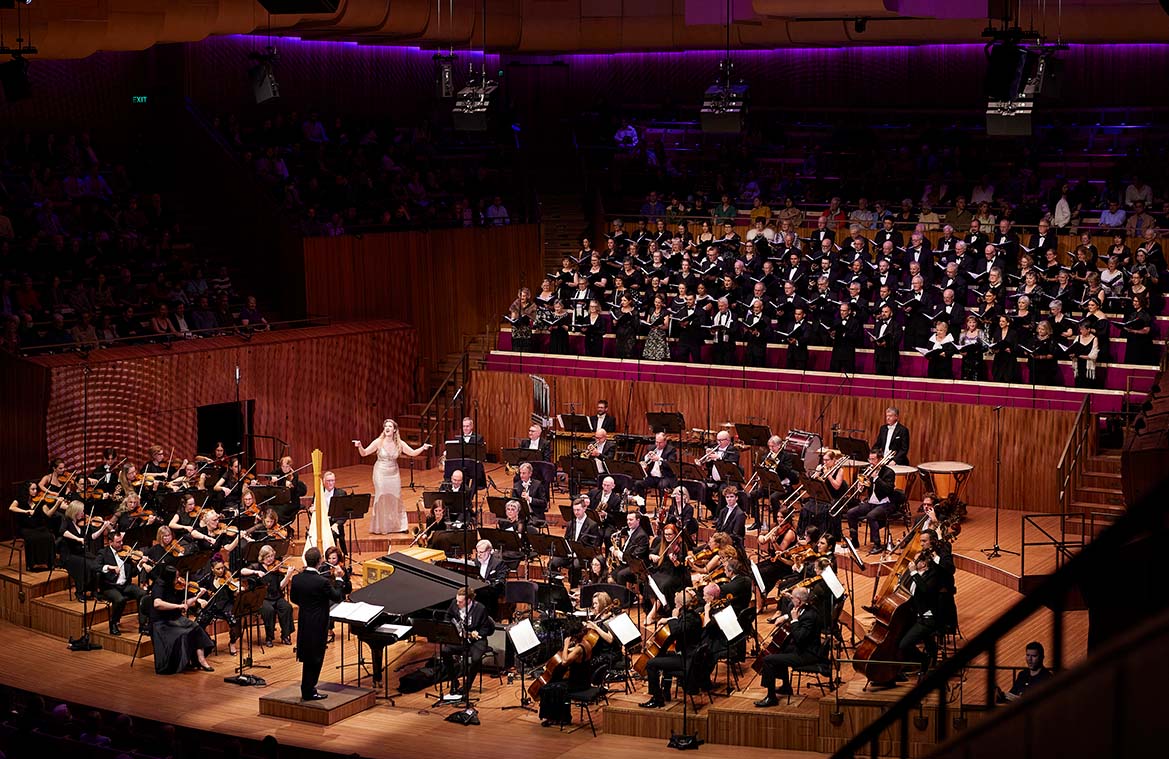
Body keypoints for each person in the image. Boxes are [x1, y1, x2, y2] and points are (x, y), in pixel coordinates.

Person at [355, 419, 431, 534]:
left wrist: (423, 448)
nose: (387, 428)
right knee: (382, 496)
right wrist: (359, 446)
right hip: (380, 472)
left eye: (390, 426)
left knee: (396, 497)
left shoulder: (399, 443)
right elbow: (364, 453)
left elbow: (412, 453)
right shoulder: (378, 442)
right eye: (386, 426)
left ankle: (398, 526)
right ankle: (381, 527)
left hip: (394, 473)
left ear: (394, 429)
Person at [288, 546, 345, 700]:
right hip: (319, 623)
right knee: (316, 657)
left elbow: (294, 599)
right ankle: (309, 690)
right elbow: (338, 597)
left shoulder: (297, 578)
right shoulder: (322, 582)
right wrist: (339, 579)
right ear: (320, 561)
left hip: (304, 620)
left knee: (308, 655)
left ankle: (307, 687)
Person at [754, 585, 823, 705]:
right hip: (804, 648)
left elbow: (799, 638)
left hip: (808, 654)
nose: (791, 601)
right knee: (780, 650)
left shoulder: (809, 616)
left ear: (799, 601)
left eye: (793, 598)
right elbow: (796, 615)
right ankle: (786, 686)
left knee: (768, 660)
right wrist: (787, 616)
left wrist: (794, 621)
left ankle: (771, 698)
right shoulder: (805, 608)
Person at [639, 587, 703, 709]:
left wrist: (673, 618)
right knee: (662, 656)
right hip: (687, 656)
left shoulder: (688, 620)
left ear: (679, 605)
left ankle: (657, 699)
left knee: (651, 664)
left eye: (675, 604)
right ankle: (665, 692)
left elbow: (675, 630)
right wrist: (672, 619)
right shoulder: (692, 615)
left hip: (687, 660)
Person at [150, 563, 215, 675]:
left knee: (196, 628)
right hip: (162, 622)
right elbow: (157, 604)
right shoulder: (159, 585)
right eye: (176, 577)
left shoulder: (177, 586)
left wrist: (197, 596)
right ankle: (180, 661)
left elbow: (185, 603)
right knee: (183, 633)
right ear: (169, 577)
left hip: (175, 618)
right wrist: (178, 606)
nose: (179, 580)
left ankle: (201, 659)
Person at [537, 617, 592, 727]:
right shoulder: (585, 643)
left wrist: (566, 645)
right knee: (556, 681)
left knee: (547, 688)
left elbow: (564, 661)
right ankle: (560, 717)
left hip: (577, 684)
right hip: (583, 680)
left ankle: (556, 718)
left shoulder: (579, 648)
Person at [845, 449, 899, 555]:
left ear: (880, 459)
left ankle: (877, 544)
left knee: (871, 516)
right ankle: (854, 541)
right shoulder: (869, 470)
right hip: (871, 503)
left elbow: (888, 490)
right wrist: (861, 487)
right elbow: (867, 488)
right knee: (851, 513)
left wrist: (877, 478)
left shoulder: (889, 472)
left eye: (873, 459)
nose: (871, 462)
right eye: (870, 459)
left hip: (885, 504)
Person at [898, 551, 943, 677]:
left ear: (923, 564)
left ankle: (924, 660)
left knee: (904, 645)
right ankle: (907, 664)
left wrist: (913, 572)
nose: (912, 562)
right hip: (914, 615)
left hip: (927, 619)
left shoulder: (932, 576)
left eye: (916, 560)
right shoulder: (915, 575)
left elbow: (925, 590)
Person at [444, 587, 495, 698]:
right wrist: (454, 628)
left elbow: (486, 628)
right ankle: (454, 681)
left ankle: (468, 685)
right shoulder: (454, 604)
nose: (457, 603)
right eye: (457, 600)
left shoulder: (480, 608)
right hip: (461, 638)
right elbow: (447, 617)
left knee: (476, 659)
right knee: (445, 651)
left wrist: (476, 633)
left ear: (468, 601)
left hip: (477, 640)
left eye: (460, 602)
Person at [241, 544, 294, 646]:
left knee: (287, 607)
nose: (270, 559)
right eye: (267, 557)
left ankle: (285, 635)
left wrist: (287, 576)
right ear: (262, 557)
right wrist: (255, 572)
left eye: (272, 556)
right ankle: (269, 637)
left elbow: (281, 586)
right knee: (269, 610)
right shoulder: (256, 566)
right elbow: (242, 571)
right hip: (262, 598)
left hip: (276, 596)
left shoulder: (277, 568)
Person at [97, 531, 149, 636]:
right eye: (118, 542)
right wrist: (109, 567)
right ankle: (113, 623)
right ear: (110, 542)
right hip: (110, 586)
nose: (121, 544)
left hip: (125, 585)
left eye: (121, 541)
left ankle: (143, 625)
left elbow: (133, 573)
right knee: (120, 599)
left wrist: (140, 564)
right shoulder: (103, 553)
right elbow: (94, 566)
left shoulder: (126, 554)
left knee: (143, 594)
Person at [9, 481, 59, 570]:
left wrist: (57, 504)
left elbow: (48, 514)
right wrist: (26, 511)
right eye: (33, 489)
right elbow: (11, 507)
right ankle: (31, 564)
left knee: (49, 537)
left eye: (36, 489)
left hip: (39, 527)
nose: (35, 491)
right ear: (26, 490)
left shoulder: (40, 501)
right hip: (26, 528)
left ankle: (49, 563)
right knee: (32, 538)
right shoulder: (20, 500)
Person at [640, 431, 678, 498]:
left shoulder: (671, 450)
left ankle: (661, 507)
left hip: (665, 477)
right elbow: (643, 460)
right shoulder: (651, 448)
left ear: (665, 442)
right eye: (656, 442)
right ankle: (642, 507)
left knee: (662, 485)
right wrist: (647, 456)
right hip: (652, 477)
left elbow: (671, 465)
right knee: (638, 483)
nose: (657, 444)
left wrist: (659, 459)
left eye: (660, 443)